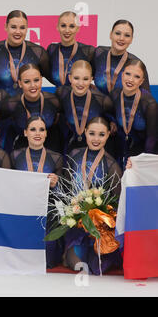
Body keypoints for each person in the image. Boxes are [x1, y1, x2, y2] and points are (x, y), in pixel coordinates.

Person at [63, 116, 123, 275]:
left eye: (101, 135)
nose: (96, 139)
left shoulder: (112, 165)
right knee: (79, 266)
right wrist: (73, 215)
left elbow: (117, 205)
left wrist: (99, 219)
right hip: (77, 226)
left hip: (101, 230)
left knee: (97, 269)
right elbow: (67, 190)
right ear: (85, 132)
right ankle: (68, 251)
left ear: (108, 134)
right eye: (92, 133)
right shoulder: (74, 154)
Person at [10, 116, 63, 268]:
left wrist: (56, 183)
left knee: (49, 262)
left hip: (47, 213)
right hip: (21, 212)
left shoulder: (56, 158)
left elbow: (63, 195)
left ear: (46, 133)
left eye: (42, 129)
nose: (37, 133)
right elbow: (6, 185)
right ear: (25, 132)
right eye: (33, 129)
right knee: (20, 261)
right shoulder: (14, 156)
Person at [0, 10, 50, 97]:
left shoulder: (38, 52)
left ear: (27, 29)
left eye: (22, 28)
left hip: (29, 108)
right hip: (2, 108)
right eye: (13, 27)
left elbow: (53, 78)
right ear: (6, 27)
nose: (18, 32)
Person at [56, 60, 115, 156]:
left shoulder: (102, 100)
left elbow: (113, 119)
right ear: (70, 78)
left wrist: (113, 123)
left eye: (85, 79)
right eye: (76, 78)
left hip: (96, 148)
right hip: (72, 145)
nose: (80, 83)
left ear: (91, 79)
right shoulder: (62, 94)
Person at [2, 64, 61, 152]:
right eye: (27, 82)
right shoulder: (11, 104)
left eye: (36, 80)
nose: (32, 85)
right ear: (20, 83)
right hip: (22, 151)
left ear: (41, 80)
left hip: (51, 150)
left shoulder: (54, 101)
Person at [109, 59, 158, 168]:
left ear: (141, 81)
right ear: (122, 75)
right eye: (128, 74)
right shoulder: (115, 94)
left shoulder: (149, 104)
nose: (130, 79)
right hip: (121, 148)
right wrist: (111, 122)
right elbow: (109, 113)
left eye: (136, 77)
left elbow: (152, 139)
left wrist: (142, 162)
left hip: (142, 153)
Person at [92, 20, 150, 95]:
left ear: (131, 39)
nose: (121, 38)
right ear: (110, 34)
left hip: (124, 106)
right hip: (99, 105)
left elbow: (147, 97)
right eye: (118, 33)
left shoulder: (136, 64)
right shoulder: (99, 53)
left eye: (127, 35)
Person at [47, 11, 95, 87]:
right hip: (58, 97)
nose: (67, 30)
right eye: (63, 26)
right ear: (57, 27)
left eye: (72, 26)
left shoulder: (88, 51)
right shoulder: (52, 49)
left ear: (78, 28)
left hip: (81, 97)